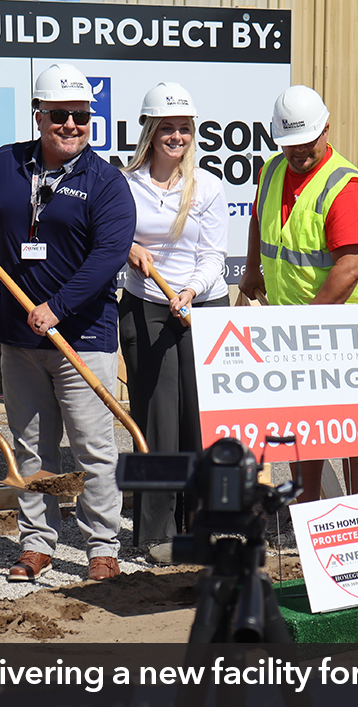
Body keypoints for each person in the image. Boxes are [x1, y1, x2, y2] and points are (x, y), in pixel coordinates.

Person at [0, 64, 135, 582]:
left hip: (84, 338)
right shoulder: (6, 165)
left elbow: (109, 256)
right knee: (32, 445)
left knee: (92, 447)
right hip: (18, 338)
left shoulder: (105, 182)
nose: (72, 125)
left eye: (81, 116)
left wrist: (58, 306)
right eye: (60, 116)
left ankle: (102, 546)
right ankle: (37, 543)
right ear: (40, 116)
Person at [239, 85, 358, 504]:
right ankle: (307, 506)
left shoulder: (345, 187)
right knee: (302, 416)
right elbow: (258, 219)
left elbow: (350, 266)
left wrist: (306, 322)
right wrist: (252, 270)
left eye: (306, 142)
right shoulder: (272, 171)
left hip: (352, 317)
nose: (298, 152)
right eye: (289, 144)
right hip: (298, 317)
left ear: (326, 129)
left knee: (355, 419)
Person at [120, 82, 229, 564]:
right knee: (158, 420)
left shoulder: (207, 186)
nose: (177, 137)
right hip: (145, 305)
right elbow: (107, 238)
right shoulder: (124, 185)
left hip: (201, 305)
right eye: (167, 128)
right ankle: (155, 534)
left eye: (184, 128)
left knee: (204, 422)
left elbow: (213, 255)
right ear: (150, 131)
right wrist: (128, 248)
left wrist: (190, 292)